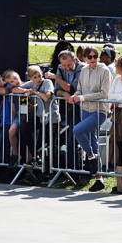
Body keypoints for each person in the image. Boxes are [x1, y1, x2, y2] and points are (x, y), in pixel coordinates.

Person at [69, 45, 112, 192]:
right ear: (85, 58)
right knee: (93, 142)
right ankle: (99, 179)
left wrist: (81, 97)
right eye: (90, 57)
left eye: (95, 56)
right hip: (84, 109)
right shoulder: (84, 70)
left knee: (77, 130)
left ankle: (90, 157)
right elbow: (80, 88)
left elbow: (103, 94)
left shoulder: (104, 70)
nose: (93, 59)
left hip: (99, 110)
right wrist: (76, 95)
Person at [45, 50, 87, 181]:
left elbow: (73, 88)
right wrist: (64, 94)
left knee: (84, 141)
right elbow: (56, 90)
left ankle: (88, 173)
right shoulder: (59, 68)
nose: (66, 68)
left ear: (75, 61)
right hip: (72, 108)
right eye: (64, 66)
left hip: (85, 108)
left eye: (69, 65)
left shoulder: (82, 68)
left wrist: (57, 78)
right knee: (71, 141)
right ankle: (73, 174)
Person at [13, 65, 58, 168]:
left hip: (51, 117)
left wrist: (34, 92)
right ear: (30, 78)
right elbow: (14, 90)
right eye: (35, 77)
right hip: (40, 116)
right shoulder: (31, 83)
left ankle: (50, 170)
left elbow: (46, 97)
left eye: (39, 76)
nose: (38, 79)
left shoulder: (47, 82)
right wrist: (25, 91)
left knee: (48, 143)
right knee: (25, 129)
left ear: (42, 74)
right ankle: (36, 157)